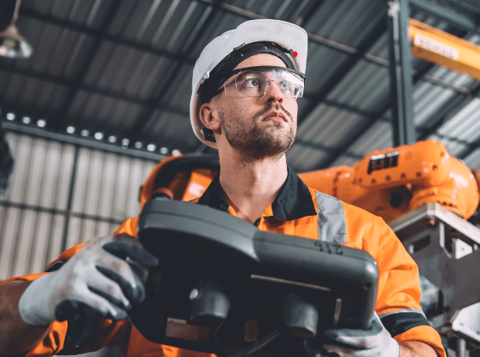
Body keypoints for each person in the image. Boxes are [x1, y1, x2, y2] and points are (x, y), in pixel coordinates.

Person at [0, 19, 445, 357]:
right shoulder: (148, 240)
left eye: (289, 84)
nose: (277, 94)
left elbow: (422, 348)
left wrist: (387, 352)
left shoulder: (365, 237)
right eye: (253, 81)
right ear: (209, 116)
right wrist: (40, 299)